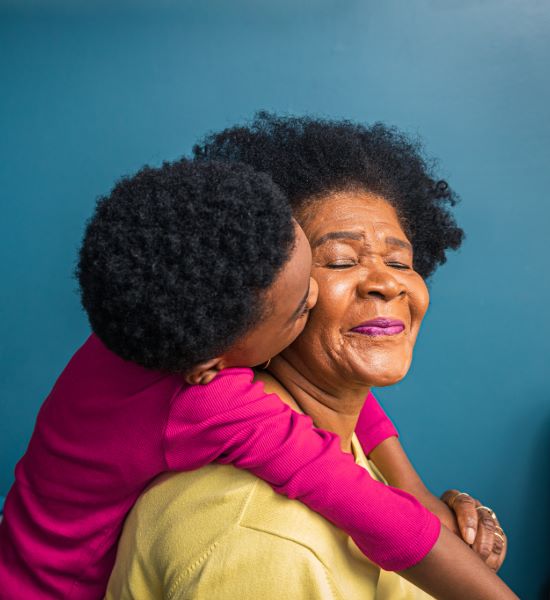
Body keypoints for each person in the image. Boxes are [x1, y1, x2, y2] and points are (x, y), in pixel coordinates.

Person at [0, 158, 459, 600]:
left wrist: (413, 488)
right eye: (302, 306)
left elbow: (341, 392)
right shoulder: (211, 411)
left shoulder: (158, 314)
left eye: (400, 262)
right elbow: (384, 521)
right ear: (212, 365)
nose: (314, 293)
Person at [104, 114, 516, 599]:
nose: (386, 281)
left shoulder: (333, 419)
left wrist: (440, 510)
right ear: (255, 295)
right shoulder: (255, 537)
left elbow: (387, 480)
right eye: (340, 261)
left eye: (401, 262)